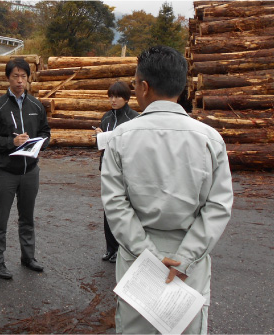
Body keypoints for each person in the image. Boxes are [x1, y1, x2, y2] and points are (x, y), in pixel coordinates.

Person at [100, 45, 234, 334]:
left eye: (135, 83)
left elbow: (115, 204)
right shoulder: (210, 139)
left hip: (138, 259)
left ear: (144, 87)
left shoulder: (120, 138)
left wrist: (147, 253)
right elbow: (218, 206)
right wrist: (186, 256)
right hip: (188, 261)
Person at [0, 58, 51, 280]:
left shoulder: (36, 105)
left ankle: (28, 257)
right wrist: (11, 143)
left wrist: (39, 144)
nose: (20, 81)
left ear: (28, 78)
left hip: (30, 170)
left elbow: (46, 131)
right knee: (0, 220)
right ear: (8, 78)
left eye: (24, 77)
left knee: (27, 217)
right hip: (5, 172)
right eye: (15, 76)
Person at [95, 81, 138, 264]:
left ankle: (125, 249)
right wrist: (99, 136)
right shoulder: (106, 117)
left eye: (117, 96)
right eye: (110, 96)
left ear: (126, 98)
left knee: (126, 210)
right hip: (107, 167)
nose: (113, 100)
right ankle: (110, 248)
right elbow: (101, 146)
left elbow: (137, 145)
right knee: (108, 209)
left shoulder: (134, 118)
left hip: (126, 170)